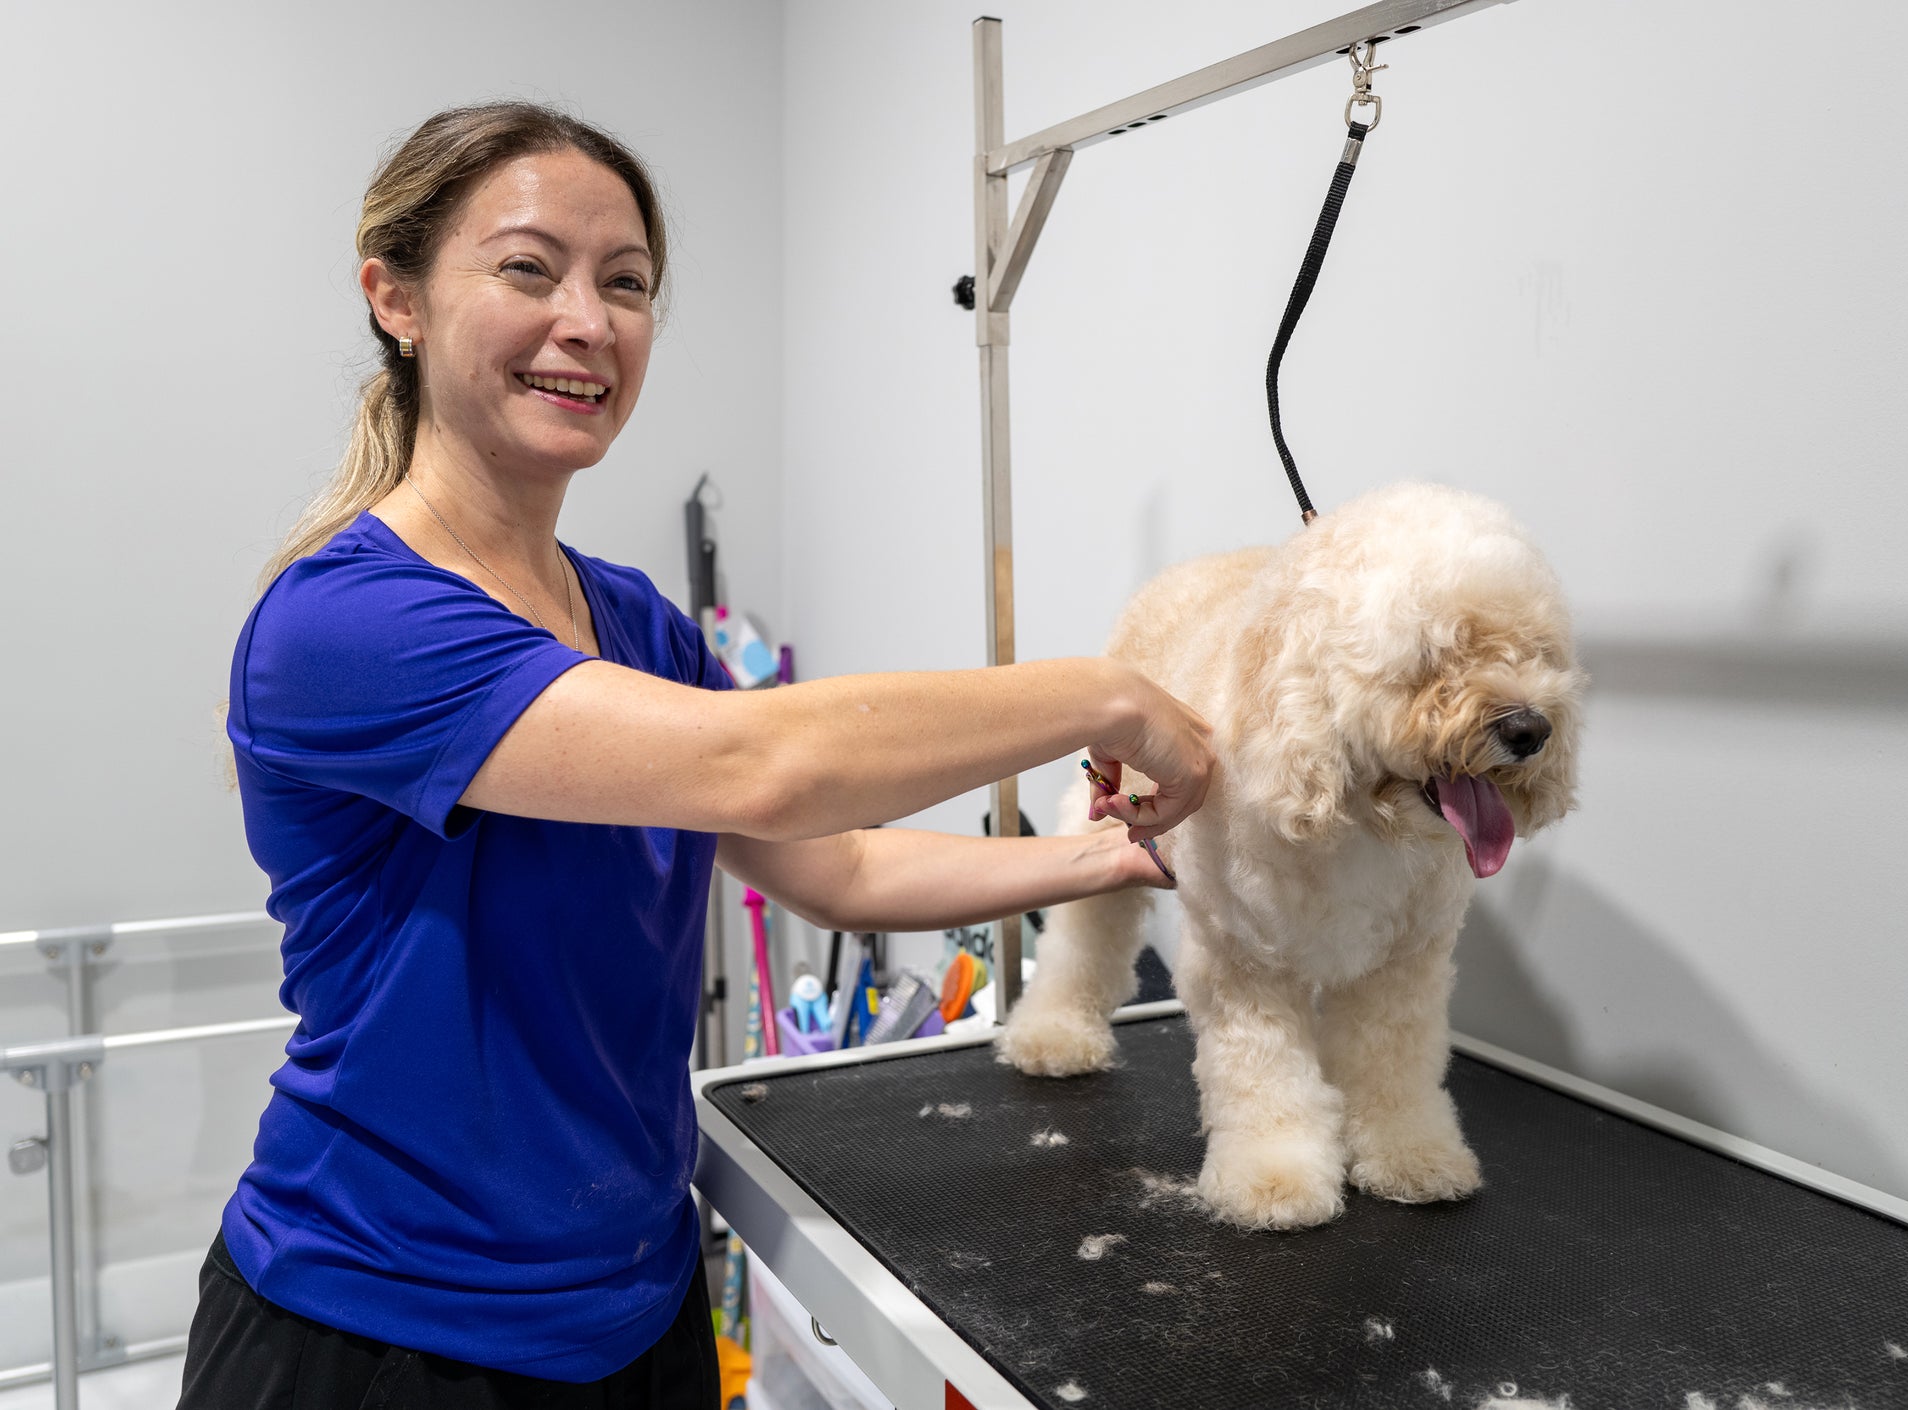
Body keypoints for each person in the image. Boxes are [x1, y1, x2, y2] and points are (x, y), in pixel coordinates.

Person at [178, 102, 1213, 1410]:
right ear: (395, 297)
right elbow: (759, 766)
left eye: (626, 284)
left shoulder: (633, 621)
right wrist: (1107, 696)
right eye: (526, 268)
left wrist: (1100, 854)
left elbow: (828, 861)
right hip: (385, 1328)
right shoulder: (347, 620)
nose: (588, 321)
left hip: (636, 1309)